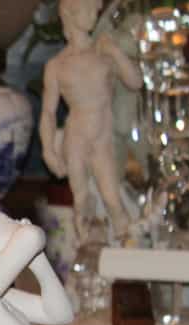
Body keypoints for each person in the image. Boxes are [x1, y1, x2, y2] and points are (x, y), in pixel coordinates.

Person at [40, 0, 142, 245]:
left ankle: (128, 250)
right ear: (70, 14)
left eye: (94, 10)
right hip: (76, 137)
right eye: (87, 9)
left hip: (101, 137)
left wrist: (116, 52)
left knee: (112, 198)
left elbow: (135, 82)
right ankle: (86, 252)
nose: (94, 15)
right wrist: (48, 150)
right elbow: (48, 113)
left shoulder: (103, 53)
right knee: (81, 200)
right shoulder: (57, 65)